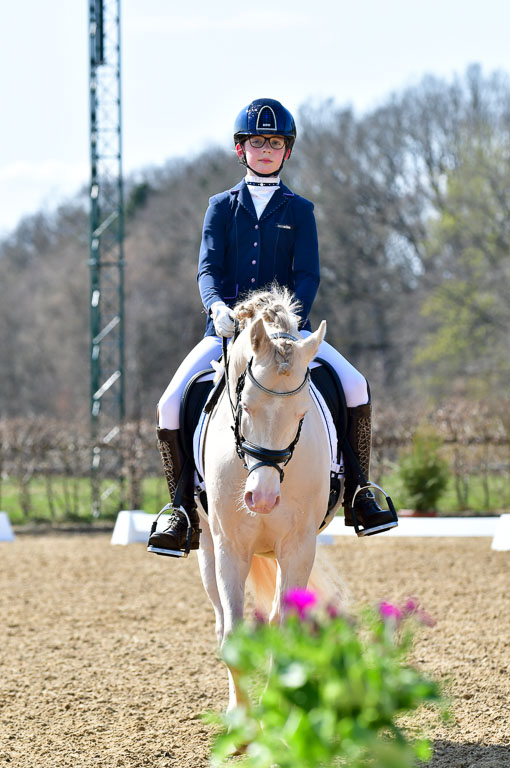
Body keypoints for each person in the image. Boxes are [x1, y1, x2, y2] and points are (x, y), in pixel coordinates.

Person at [148, 98, 396, 556]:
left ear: (286, 151)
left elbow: (308, 275)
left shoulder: (299, 210)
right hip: (225, 332)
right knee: (168, 405)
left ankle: (360, 491)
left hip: (289, 334)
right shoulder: (221, 207)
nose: (266, 149)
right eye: (257, 141)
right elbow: (208, 269)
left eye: (275, 142)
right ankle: (180, 508)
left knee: (355, 385)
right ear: (241, 149)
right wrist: (216, 307)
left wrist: (290, 325)